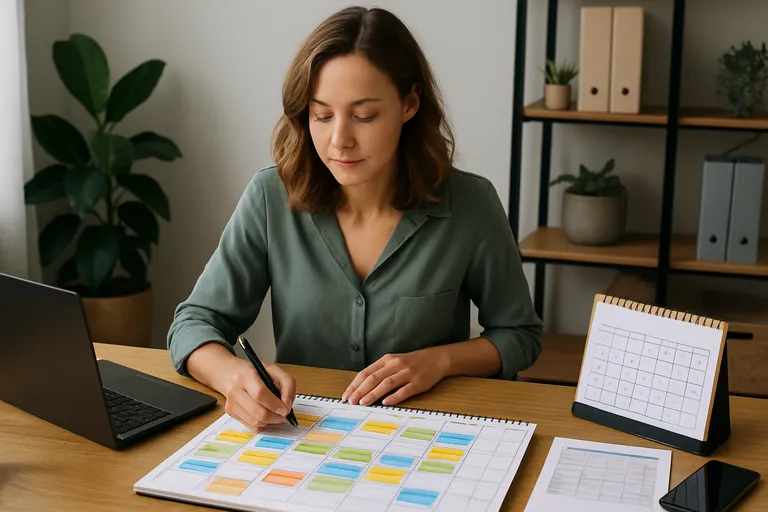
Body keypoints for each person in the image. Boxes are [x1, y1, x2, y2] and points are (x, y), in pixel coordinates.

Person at [168, 6, 542, 432]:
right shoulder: (271, 197)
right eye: (322, 115)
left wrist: (438, 361)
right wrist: (234, 376)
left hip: (424, 438)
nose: (339, 140)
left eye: (364, 116)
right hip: (299, 438)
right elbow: (194, 323)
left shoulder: (471, 204)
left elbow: (519, 335)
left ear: (409, 104)